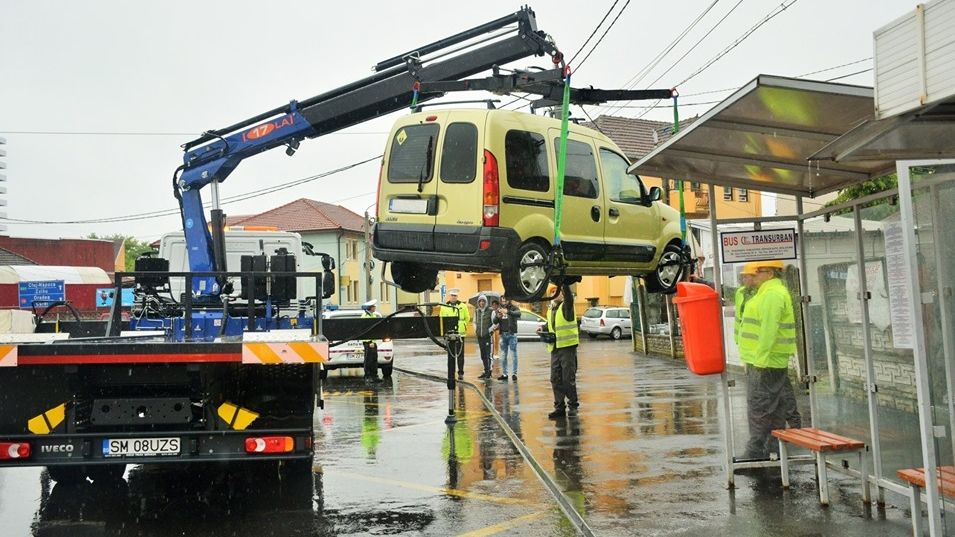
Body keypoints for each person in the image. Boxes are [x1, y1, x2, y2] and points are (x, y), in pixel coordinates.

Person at [738, 260, 802, 459]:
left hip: (765, 361)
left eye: (759, 271)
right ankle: (772, 448)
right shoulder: (766, 292)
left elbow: (768, 330)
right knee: (772, 406)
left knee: (760, 407)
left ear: (770, 273)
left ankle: (756, 451)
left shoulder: (772, 294)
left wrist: (760, 360)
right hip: (766, 360)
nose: (754, 275)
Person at [540, 283, 580, 419]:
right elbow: (551, 324)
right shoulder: (551, 309)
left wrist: (564, 282)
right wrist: (543, 328)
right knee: (555, 379)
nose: (554, 294)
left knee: (568, 379)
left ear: (562, 294)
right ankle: (559, 408)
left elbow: (569, 297)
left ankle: (573, 405)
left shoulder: (567, 306)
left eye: (557, 291)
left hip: (567, 348)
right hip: (555, 348)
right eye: (552, 292)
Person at [440, 289, 470, 380]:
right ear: (450, 296)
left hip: (460, 333)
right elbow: (441, 319)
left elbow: (467, 317)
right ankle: (451, 372)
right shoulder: (444, 306)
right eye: (452, 295)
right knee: (451, 354)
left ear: (457, 297)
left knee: (460, 354)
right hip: (449, 333)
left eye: (455, 296)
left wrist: (463, 325)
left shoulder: (462, 306)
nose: (453, 297)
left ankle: (460, 372)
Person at [493, 294, 521, 381]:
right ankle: (505, 374)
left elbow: (518, 313)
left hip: (512, 334)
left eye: (505, 300)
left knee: (513, 355)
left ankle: (514, 374)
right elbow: (494, 321)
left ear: (509, 300)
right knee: (503, 356)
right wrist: (497, 316)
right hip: (503, 335)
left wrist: (507, 312)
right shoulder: (499, 309)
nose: (503, 301)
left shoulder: (513, 307)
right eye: (502, 300)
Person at [734, 262, 759, 347]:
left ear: (755, 277)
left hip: (757, 342)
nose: (743, 280)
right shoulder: (740, 292)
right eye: (743, 277)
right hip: (743, 340)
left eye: (746, 277)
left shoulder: (763, 293)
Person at [472, 294, 494, 379]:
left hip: (487, 336)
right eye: (480, 301)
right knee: (482, 355)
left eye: (483, 301)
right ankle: (485, 370)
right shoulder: (477, 311)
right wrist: (476, 329)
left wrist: (489, 330)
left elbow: (495, 323)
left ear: (486, 302)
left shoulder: (490, 311)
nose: (482, 303)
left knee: (488, 354)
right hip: (480, 336)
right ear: (478, 302)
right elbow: (474, 322)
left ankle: (488, 372)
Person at [361, 299, 382, 383]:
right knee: (368, 360)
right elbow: (365, 331)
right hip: (368, 342)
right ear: (370, 307)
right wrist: (369, 342)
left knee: (374, 359)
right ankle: (367, 376)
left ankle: (374, 375)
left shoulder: (372, 315)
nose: (375, 308)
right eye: (374, 306)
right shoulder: (364, 316)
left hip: (373, 342)